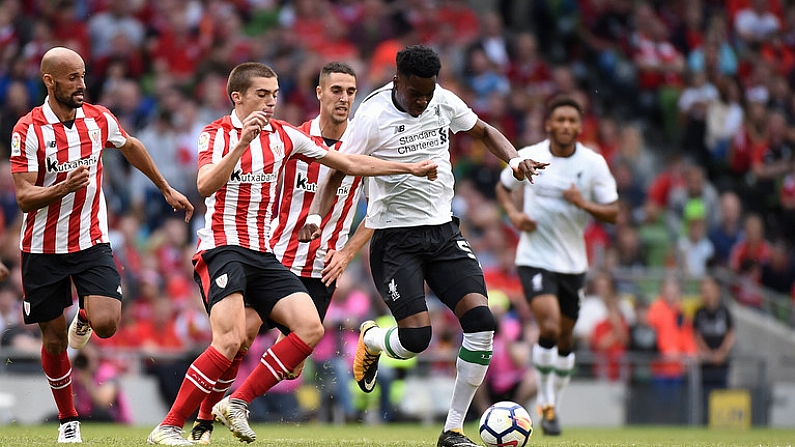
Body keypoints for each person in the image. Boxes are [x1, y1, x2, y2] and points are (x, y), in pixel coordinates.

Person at [146, 61, 438, 446]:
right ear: (238, 97)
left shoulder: (286, 137)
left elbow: (349, 163)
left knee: (307, 336)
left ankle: (232, 405)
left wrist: (409, 168)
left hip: (276, 257)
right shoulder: (216, 133)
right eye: (262, 95)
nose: (270, 103)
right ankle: (182, 423)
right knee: (237, 337)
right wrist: (242, 144)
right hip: (228, 247)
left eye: (274, 95)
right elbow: (205, 185)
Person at [301, 45, 546, 447]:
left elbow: (482, 130)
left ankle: (452, 429)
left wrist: (514, 160)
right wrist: (315, 216)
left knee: (482, 323)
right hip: (396, 241)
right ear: (397, 81)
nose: (422, 101)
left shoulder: (443, 102)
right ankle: (373, 341)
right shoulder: (372, 115)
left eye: (428, 94)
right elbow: (337, 169)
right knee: (417, 340)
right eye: (416, 94)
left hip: (444, 235)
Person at [9, 46, 194, 444]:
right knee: (54, 340)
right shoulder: (27, 129)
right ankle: (68, 420)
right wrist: (62, 187)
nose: (81, 84)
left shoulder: (97, 118)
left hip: (92, 240)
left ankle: (86, 318)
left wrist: (164, 188)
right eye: (72, 77)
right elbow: (24, 197)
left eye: (83, 75)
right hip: (42, 247)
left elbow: (131, 146)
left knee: (107, 323)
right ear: (49, 81)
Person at [188, 61, 368, 443]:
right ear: (319, 93)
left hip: (321, 266)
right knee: (241, 334)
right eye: (336, 90)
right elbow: (248, 185)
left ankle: (228, 405)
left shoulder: (361, 146)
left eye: (350, 91)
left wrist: (348, 251)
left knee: (294, 367)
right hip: (276, 253)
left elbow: (382, 209)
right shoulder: (288, 139)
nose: (343, 98)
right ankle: (209, 416)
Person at [494, 95, 619, 435]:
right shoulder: (529, 155)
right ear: (548, 123)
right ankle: (544, 402)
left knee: (565, 339)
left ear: (579, 126)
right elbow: (503, 188)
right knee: (548, 327)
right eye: (559, 120)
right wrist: (515, 215)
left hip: (573, 263)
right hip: (534, 257)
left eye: (571, 121)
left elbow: (613, 212)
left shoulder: (593, 164)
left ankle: (551, 406)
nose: (565, 126)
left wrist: (584, 203)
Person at [692, 274, 735, 424]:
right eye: (703, 290)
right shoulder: (699, 313)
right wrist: (708, 354)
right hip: (705, 364)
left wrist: (721, 353)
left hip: (721, 364)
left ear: (716, 290)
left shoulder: (724, 311)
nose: (706, 293)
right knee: (704, 398)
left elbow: (730, 334)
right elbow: (696, 335)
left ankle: (722, 425)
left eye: (709, 289)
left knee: (721, 396)